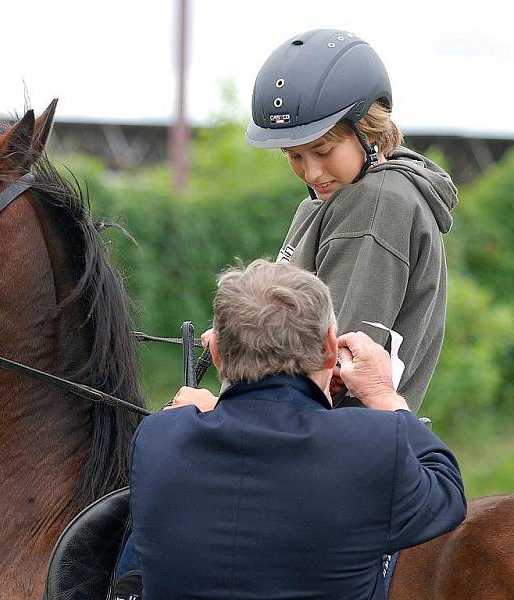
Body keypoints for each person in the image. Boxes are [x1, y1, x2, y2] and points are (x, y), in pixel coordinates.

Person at [126, 259, 465, 600]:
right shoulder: (373, 444)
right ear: (331, 348)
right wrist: (381, 391)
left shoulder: (157, 439)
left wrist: (198, 414)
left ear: (215, 352)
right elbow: (447, 495)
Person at [197, 29, 457, 411]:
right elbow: (290, 335)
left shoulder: (375, 206)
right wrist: (242, 338)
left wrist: (210, 416)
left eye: (324, 150)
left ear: (368, 129)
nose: (312, 172)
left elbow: (323, 374)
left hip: (330, 450)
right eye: (294, 156)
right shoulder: (331, 202)